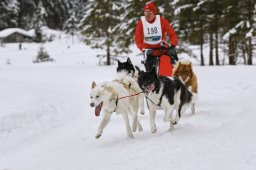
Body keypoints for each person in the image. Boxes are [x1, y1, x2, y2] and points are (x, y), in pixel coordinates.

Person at [135, 1, 179, 72]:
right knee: (151, 73)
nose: (147, 15)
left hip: (161, 49)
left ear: (154, 13)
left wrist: (173, 45)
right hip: (149, 51)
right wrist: (143, 48)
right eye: (145, 12)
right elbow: (138, 39)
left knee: (166, 68)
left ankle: (167, 79)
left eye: (149, 12)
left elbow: (172, 34)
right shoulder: (141, 23)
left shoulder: (162, 21)